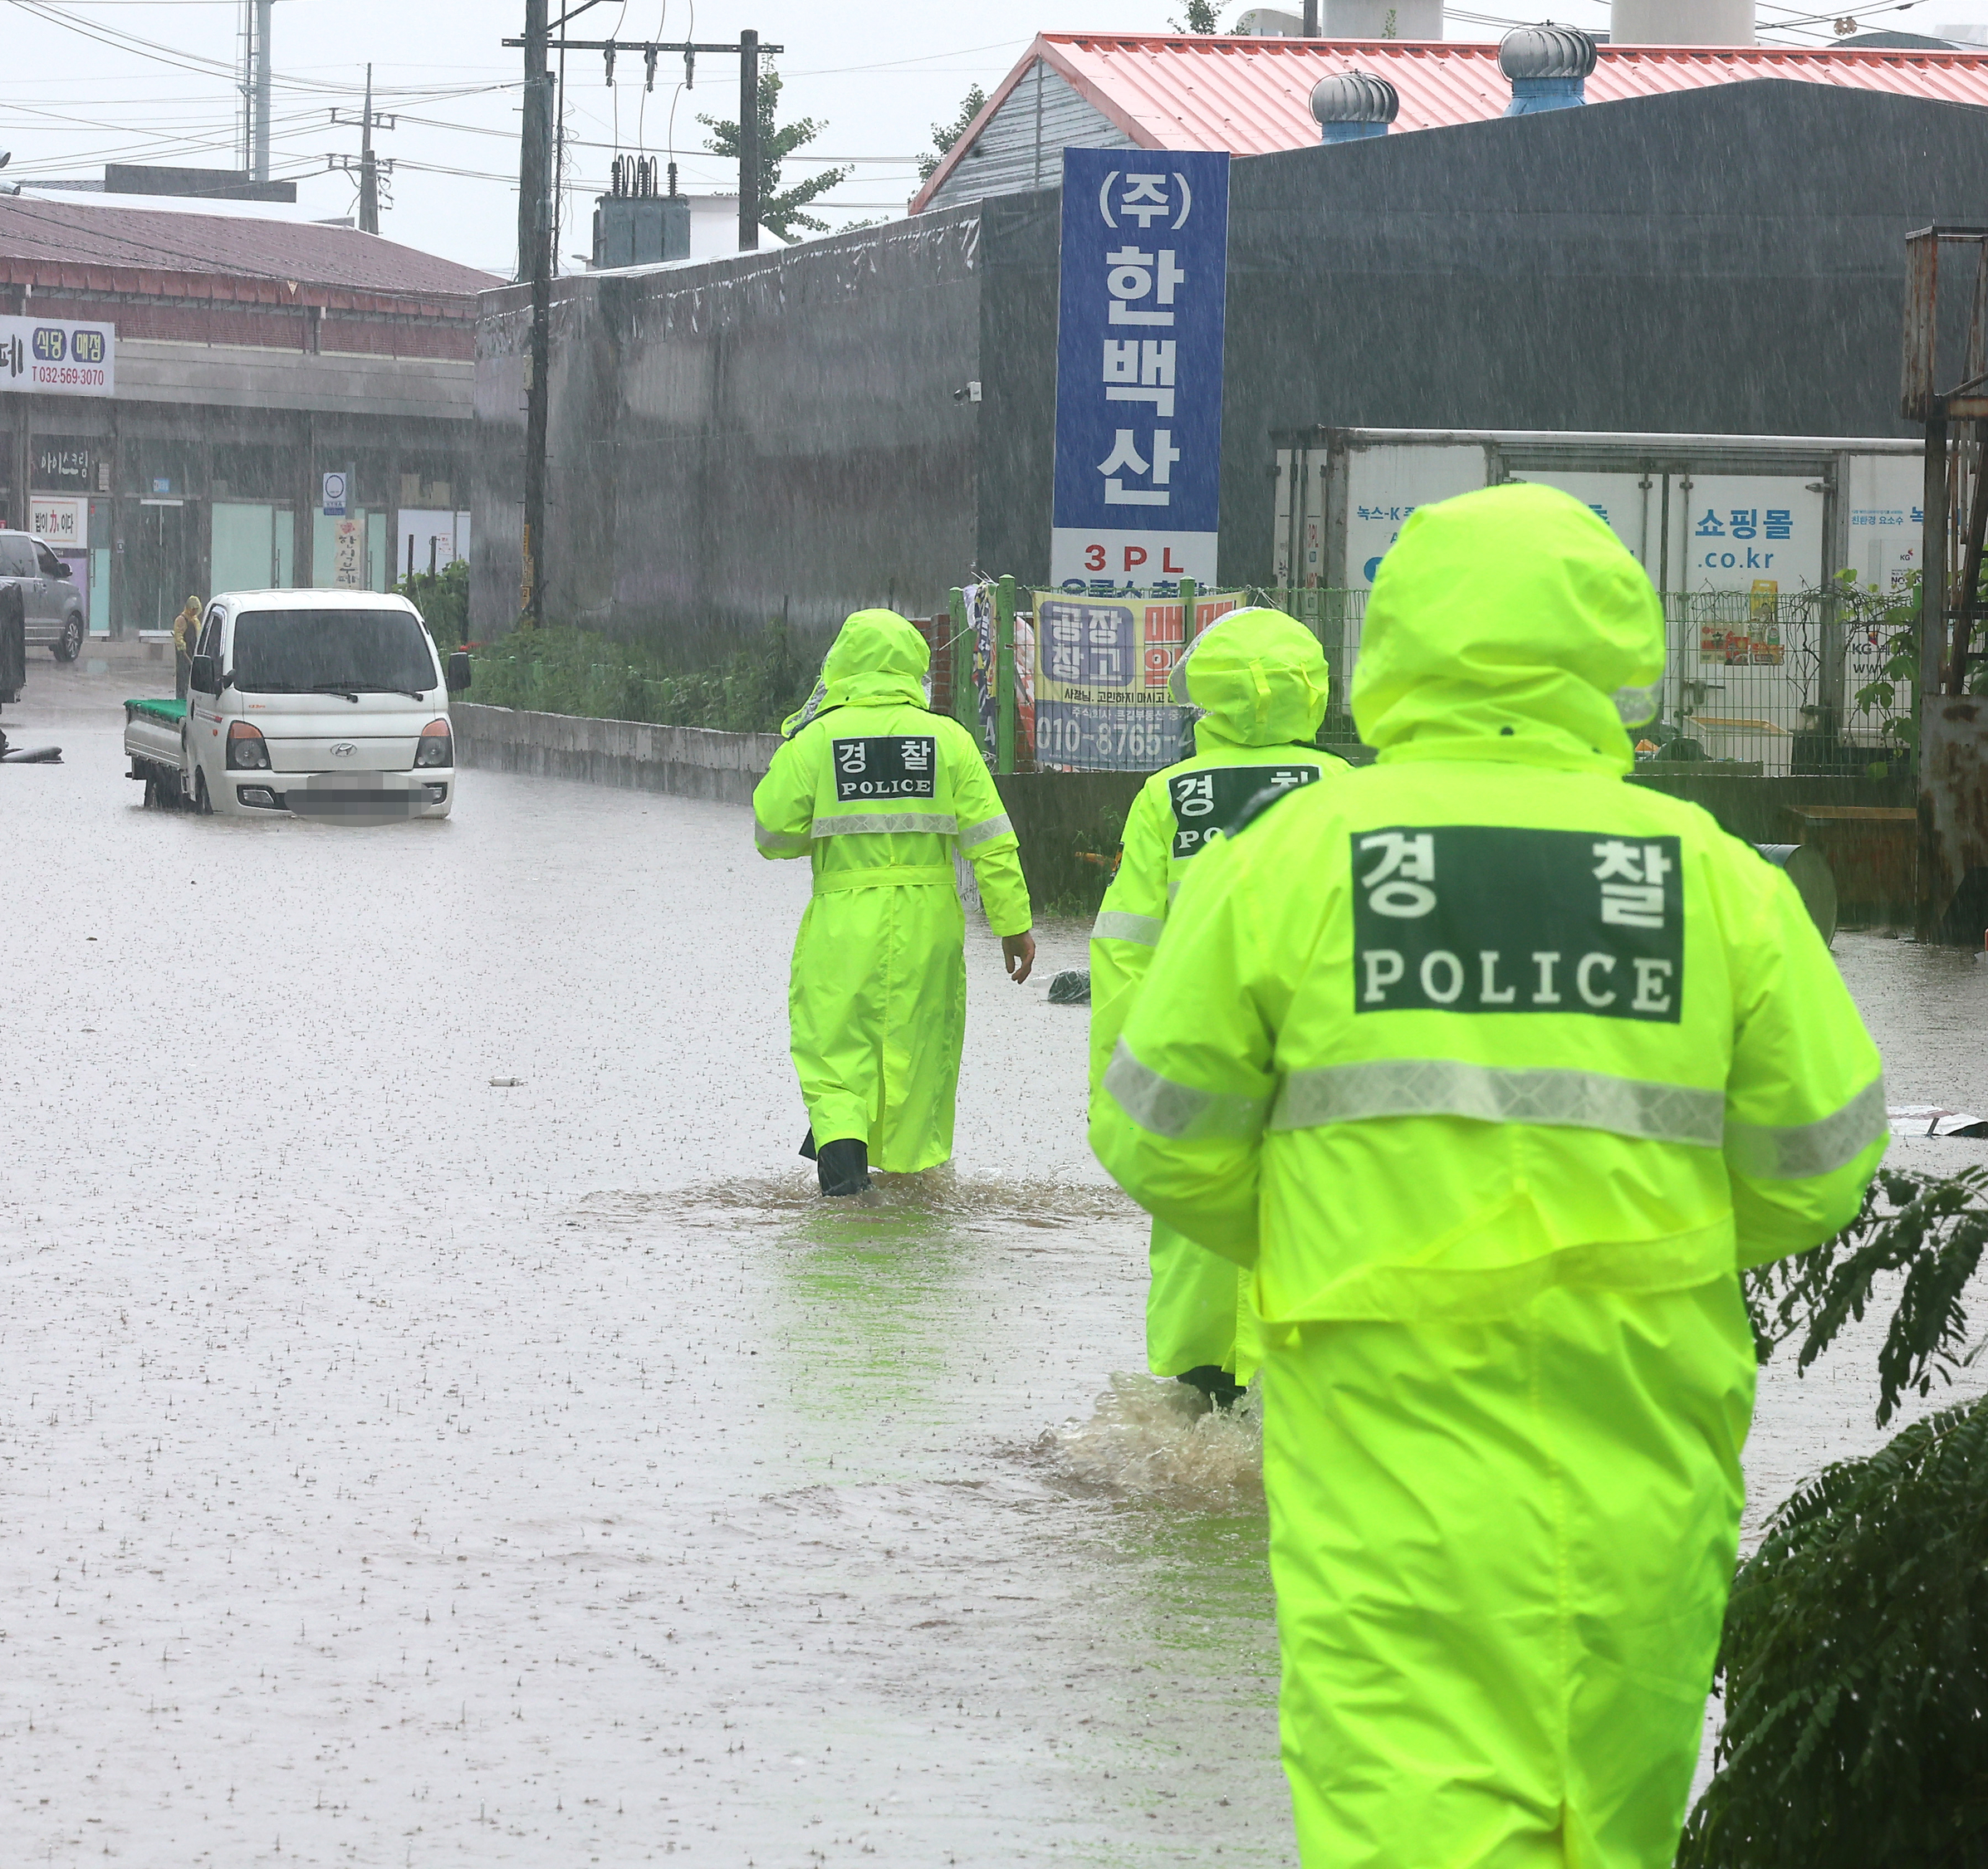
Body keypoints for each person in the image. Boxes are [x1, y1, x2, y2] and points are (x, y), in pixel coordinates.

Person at [1106, 483, 1886, 1869]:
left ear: (1393, 644)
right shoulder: (1715, 878)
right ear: (1615, 649)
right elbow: (1822, 1162)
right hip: (1648, 1441)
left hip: (1385, 1445)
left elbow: (1162, 1129)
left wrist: (1323, 1228)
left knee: (1408, 1811)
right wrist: (1652, 1247)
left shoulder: (1291, 865)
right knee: (1612, 1821)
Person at [1085, 605, 1349, 1408]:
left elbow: (1125, 949)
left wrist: (1121, 1088)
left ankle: (1205, 1396)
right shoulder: (1352, 792)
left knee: (1200, 1227)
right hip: (1319, 1059)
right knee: (1315, 1231)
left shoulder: (1168, 798)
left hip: (1198, 1050)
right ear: (1312, 691)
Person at [754, 609, 1035, 1196]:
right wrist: (1014, 926)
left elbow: (771, 834)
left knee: (835, 1055)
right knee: (919, 1052)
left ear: (840, 664)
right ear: (914, 666)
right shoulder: (950, 740)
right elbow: (992, 842)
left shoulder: (818, 740)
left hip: (843, 921)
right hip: (927, 923)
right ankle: (911, 1194)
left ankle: (844, 1191)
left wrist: (803, 744)